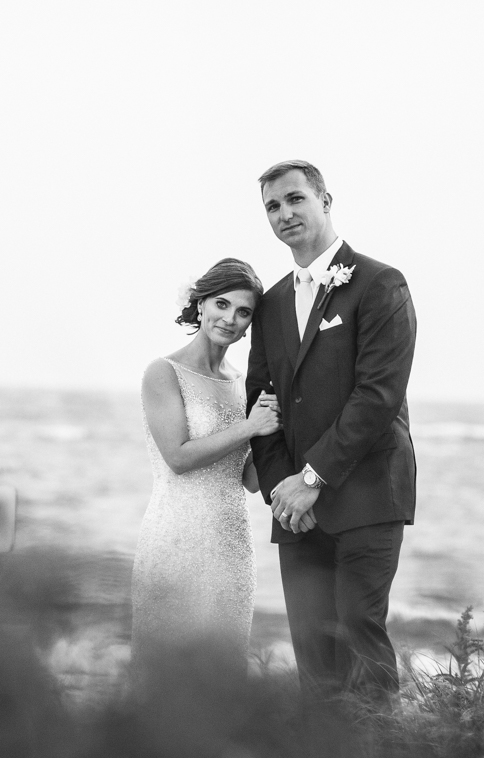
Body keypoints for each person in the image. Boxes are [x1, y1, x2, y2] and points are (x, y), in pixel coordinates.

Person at [246, 160, 417, 707]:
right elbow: (260, 403)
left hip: (366, 495)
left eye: (295, 199)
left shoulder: (380, 283)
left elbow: (378, 396)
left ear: (325, 200)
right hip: (294, 508)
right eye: (273, 206)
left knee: (361, 640)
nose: (285, 214)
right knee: (314, 663)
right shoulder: (270, 304)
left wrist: (312, 478)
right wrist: (282, 490)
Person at [131, 258, 281, 661]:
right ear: (201, 304)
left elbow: (249, 479)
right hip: (175, 539)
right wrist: (250, 427)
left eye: (243, 312)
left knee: (222, 678)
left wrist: (286, 430)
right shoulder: (162, 372)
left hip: (232, 546)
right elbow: (178, 458)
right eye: (222, 304)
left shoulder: (243, 383)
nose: (230, 319)